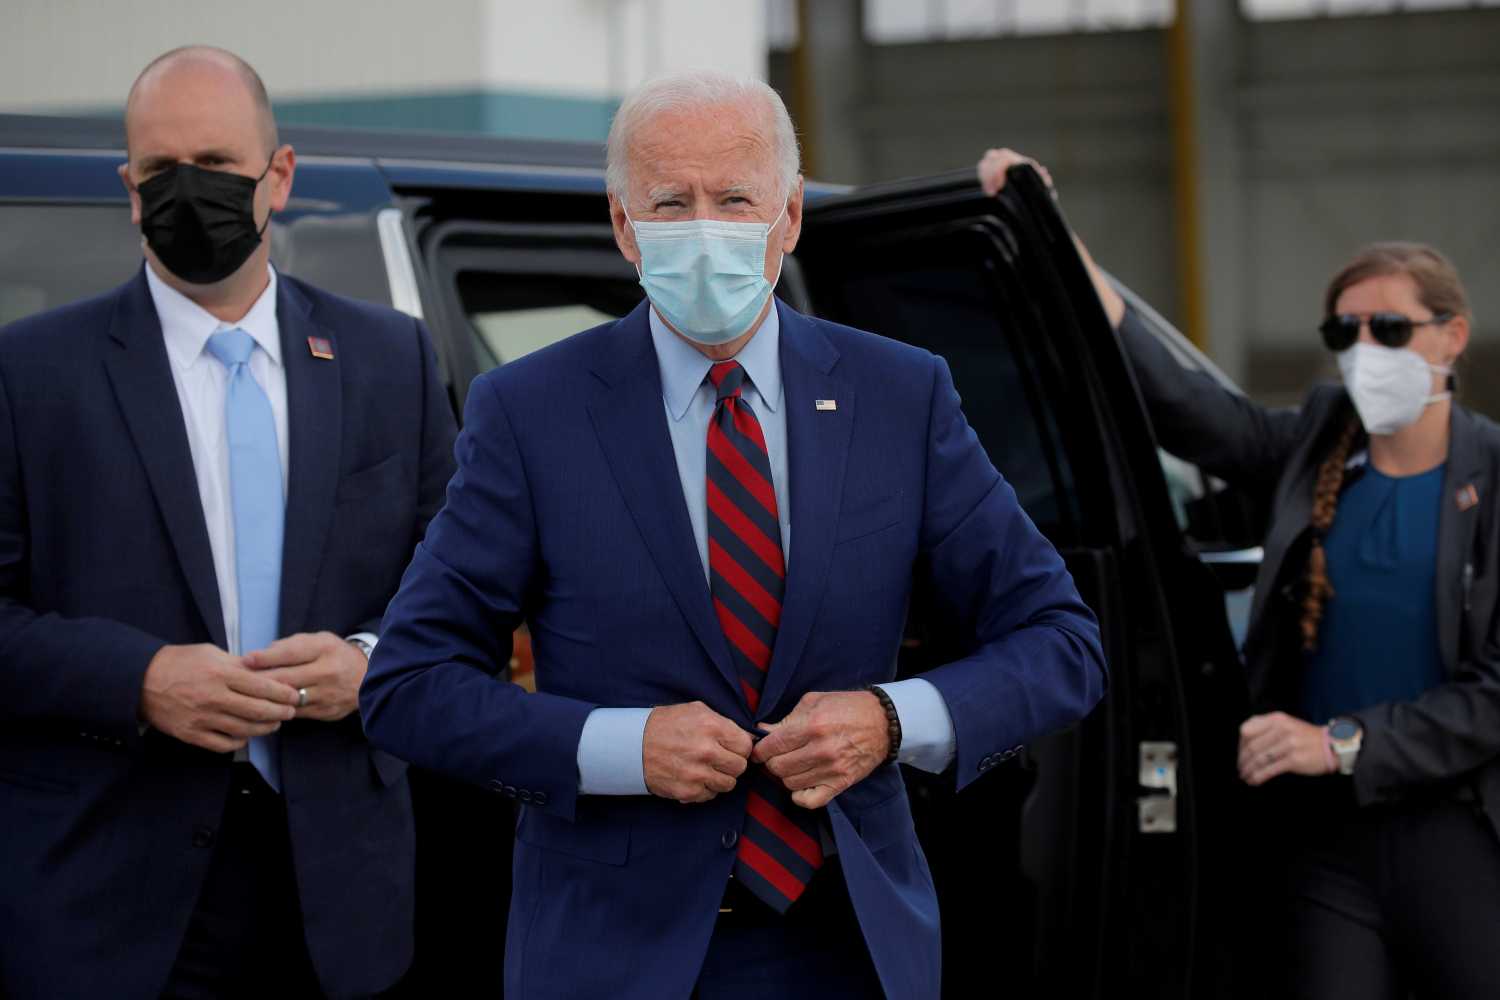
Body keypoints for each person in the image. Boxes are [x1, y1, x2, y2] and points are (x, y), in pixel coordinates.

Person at [360, 73, 1106, 1000]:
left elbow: (1063, 643)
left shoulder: (899, 395)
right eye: (671, 201)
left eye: (736, 198)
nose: (704, 226)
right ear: (625, 226)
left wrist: (889, 720)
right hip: (616, 955)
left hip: (849, 945)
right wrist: (618, 748)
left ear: (788, 216)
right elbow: (409, 686)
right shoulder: (530, 411)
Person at [979, 148, 1500, 998]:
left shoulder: (1497, 477)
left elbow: (1495, 692)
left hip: (1459, 830)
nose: (1365, 350)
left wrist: (1342, 743)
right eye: (1345, 331)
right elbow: (1187, 406)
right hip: (1322, 844)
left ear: (1453, 335)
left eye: (1390, 329)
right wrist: (1053, 234)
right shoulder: (1318, 441)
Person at [0, 47, 456, 999]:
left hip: (340, 897)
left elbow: (460, 587)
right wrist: (142, 680)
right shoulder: (31, 372)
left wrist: (372, 663)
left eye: (215, 162)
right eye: (160, 171)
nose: (187, 191)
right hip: (110, 900)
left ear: (277, 176)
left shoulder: (389, 359)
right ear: (129, 191)